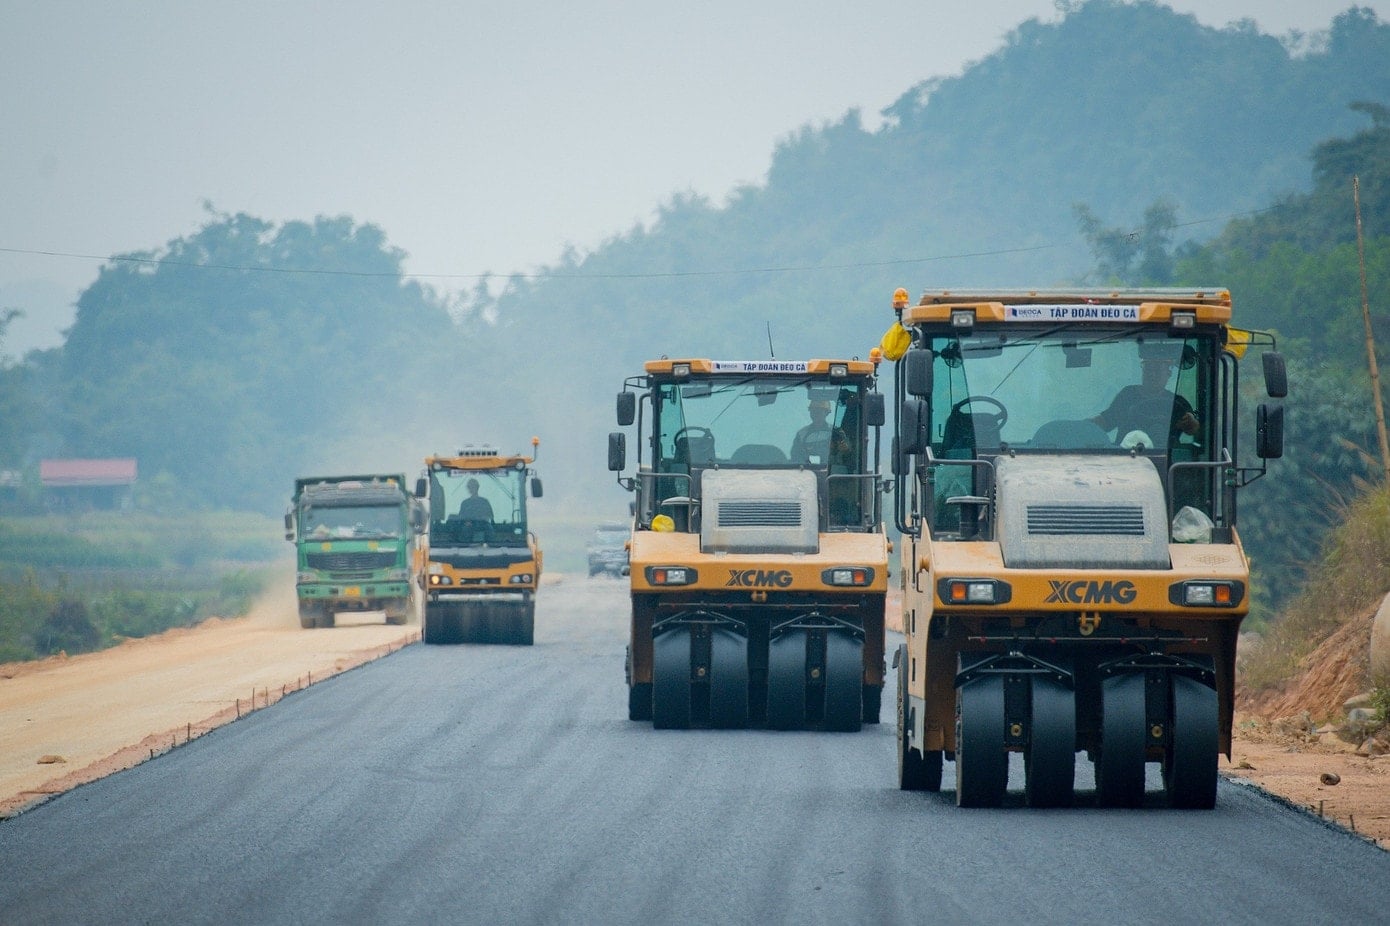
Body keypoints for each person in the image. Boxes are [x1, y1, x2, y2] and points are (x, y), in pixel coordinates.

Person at [1092, 355, 1199, 446]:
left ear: (1168, 373)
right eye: (1148, 369)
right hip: (1126, 460)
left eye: (1157, 369)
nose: (1152, 374)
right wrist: (1084, 426)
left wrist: (1191, 422)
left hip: (1169, 465)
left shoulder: (1178, 403)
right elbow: (1107, 421)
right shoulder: (1128, 395)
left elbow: (1197, 430)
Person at [790, 399, 850, 465]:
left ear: (826, 413)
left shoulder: (836, 432)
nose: (816, 414)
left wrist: (843, 449)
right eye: (813, 411)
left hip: (832, 472)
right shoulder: (801, 434)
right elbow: (795, 456)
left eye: (819, 411)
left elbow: (846, 453)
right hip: (807, 472)